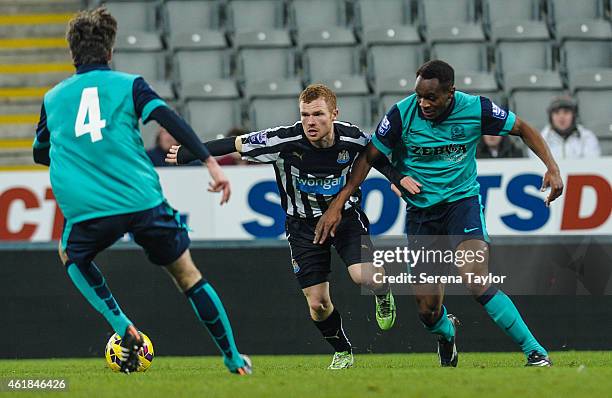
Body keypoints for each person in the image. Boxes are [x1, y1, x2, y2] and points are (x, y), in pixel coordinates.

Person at [32, 8, 251, 375]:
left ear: (72, 54)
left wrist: (74, 153)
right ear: (110, 51)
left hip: (90, 208)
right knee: (187, 275)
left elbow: (41, 153)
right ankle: (233, 359)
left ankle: (121, 325)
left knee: (71, 254)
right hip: (141, 199)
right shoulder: (129, 85)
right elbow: (169, 120)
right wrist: (211, 163)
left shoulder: (53, 99)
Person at [314, 60, 564, 367]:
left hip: (462, 205)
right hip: (421, 216)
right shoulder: (401, 114)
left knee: (474, 278)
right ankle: (447, 336)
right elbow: (369, 157)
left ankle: (535, 351)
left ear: (451, 93)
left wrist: (552, 168)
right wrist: (343, 201)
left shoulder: (476, 109)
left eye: (431, 97)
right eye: (419, 95)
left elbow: (524, 128)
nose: (424, 103)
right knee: (428, 311)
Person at [167, 84, 398, 369]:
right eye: (304, 115)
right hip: (301, 226)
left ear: (334, 114)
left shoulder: (353, 138)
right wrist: (191, 153)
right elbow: (236, 144)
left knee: (366, 276)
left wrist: (398, 180)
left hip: (345, 218)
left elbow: (378, 156)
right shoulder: (283, 140)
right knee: (317, 304)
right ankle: (342, 350)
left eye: (317, 114)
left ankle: (383, 294)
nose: (310, 122)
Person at [528, 95, 601, 159]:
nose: (561, 117)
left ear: (574, 116)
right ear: (550, 117)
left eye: (566, 112)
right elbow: (537, 168)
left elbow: (592, 164)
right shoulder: (539, 140)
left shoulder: (587, 137)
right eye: (556, 112)